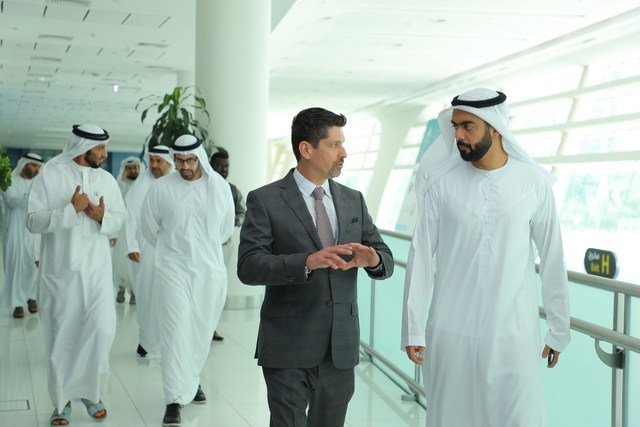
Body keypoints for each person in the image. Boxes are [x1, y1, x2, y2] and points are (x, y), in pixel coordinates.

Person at [401, 88, 571, 426]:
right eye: (455, 127)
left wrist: (558, 327)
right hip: (451, 332)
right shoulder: (441, 184)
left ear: (495, 127)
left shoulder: (533, 183)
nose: (459, 136)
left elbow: (553, 256)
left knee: (518, 418)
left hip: (514, 334)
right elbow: (420, 256)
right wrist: (412, 328)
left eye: (468, 127)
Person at [237, 107, 394, 427]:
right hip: (287, 343)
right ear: (306, 149)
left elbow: (384, 257)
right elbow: (248, 266)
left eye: (343, 144)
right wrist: (305, 262)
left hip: (340, 347)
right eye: (335, 145)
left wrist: (374, 260)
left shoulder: (354, 200)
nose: (344, 153)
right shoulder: (265, 200)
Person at [27, 124, 127, 426]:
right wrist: (71, 210)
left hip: (97, 272)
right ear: (83, 148)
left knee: (100, 331)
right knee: (62, 338)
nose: (105, 154)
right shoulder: (50, 177)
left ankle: (91, 393)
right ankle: (62, 401)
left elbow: (120, 219)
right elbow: (32, 221)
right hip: (60, 273)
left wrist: (101, 217)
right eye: (101, 149)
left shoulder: (106, 179)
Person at [140, 134, 234, 427]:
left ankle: (191, 381)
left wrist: (201, 251)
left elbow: (225, 228)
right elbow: (148, 228)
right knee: (175, 331)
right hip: (173, 271)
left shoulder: (218, 188)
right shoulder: (160, 189)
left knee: (199, 330)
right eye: (179, 161)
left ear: (199, 158)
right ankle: (173, 399)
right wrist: (174, 253)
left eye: (189, 160)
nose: (184, 166)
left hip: (209, 272)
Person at [124, 145, 175, 357]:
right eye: (151, 160)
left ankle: (165, 343)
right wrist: (131, 246)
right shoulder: (141, 185)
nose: (154, 165)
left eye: (159, 161)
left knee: (168, 297)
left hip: (172, 251)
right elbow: (130, 217)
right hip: (145, 249)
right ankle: (146, 340)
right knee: (146, 295)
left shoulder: (177, 184)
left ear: (169, 164)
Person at [209, 150, 246, 341]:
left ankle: (211, 327)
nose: (224, 169)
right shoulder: (203, 186)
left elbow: (242, 212)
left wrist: (232, 222)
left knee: (217, 288)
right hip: (203, 248)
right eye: (220, 165)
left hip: (224, 247)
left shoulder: (232, 190)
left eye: (226, 166)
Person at [0, 153, 43, 318]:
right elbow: (12, 200)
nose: (36, 169)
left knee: (33, 267)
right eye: (33, 165)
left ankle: (32, 298)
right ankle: (17, 303)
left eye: (38, 166)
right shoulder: (9, 182)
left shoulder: (38, 184)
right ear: (24, 164)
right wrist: (33, 197)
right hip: (15, 231)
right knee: (15, 267)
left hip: (34, 232)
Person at [113, 156, 142, 304]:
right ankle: (121, 289)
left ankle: (135, 291)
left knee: (136, 260)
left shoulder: (143, 185)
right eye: (129, 168)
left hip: (137, 229)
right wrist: (123, 181)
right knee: (120, 261)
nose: (133, 171)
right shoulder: (119, 185)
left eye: (135, 168)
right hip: (122, 230)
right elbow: (115, 203)